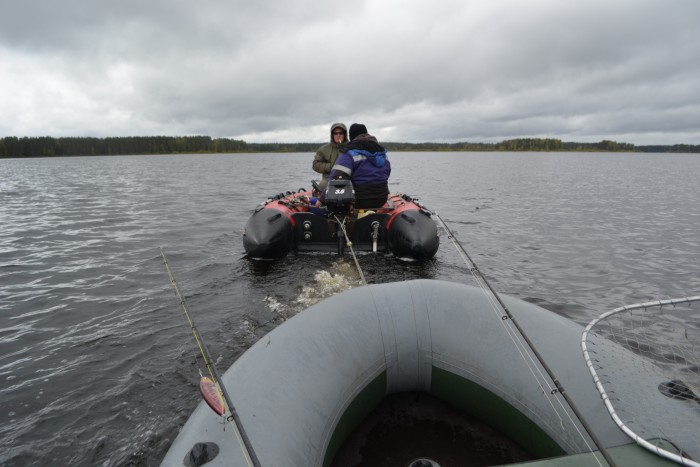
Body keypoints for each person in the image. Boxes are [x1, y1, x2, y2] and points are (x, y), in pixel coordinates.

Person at [326, 123, 391, 209]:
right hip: (381, 199)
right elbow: (387, 173)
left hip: (359, 200)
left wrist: (322, 199)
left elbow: (336, 177)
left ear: (351, 136)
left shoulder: (349, 153)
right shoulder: (382, 153)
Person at [312, 123, 348, 191]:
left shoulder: (351, 147)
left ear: (345, 134)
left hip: (347, 177)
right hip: (328, 178)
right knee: (323, 185)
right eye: (335, 133)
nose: (338, 135)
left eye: (341, 133)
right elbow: (315, 165)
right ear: (332, 135)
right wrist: (331, 166)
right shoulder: (323, 149)